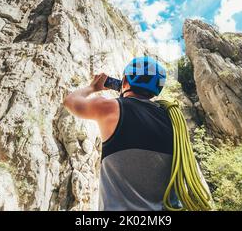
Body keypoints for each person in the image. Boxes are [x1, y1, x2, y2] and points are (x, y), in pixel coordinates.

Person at [63, 56, 175, 211]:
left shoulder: (111, 107)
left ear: (125, 81)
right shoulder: (173, 121)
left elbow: (70, 101)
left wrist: (93, 88)